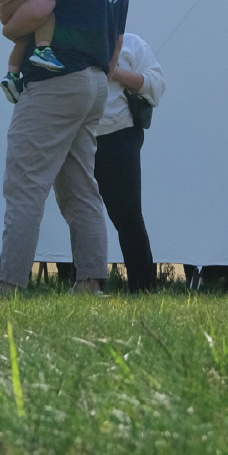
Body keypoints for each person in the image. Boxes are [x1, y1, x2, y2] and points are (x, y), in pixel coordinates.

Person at [0, 0, 131, 297]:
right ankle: (90, 283)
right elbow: (117, 43)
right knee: (81, 189)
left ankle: (8, 283)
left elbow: (39, 8)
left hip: (55, 81)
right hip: (94, 86)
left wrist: (10, 30)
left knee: (25, 183)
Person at [93, 29, 165, 292]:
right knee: (81, 213)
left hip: (120, 137)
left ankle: (142, 286)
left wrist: (116, 72)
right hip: (80, 135)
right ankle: (85, 282)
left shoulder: (133, 44)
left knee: (127, 215)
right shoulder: (76, 39)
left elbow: (156, 86)